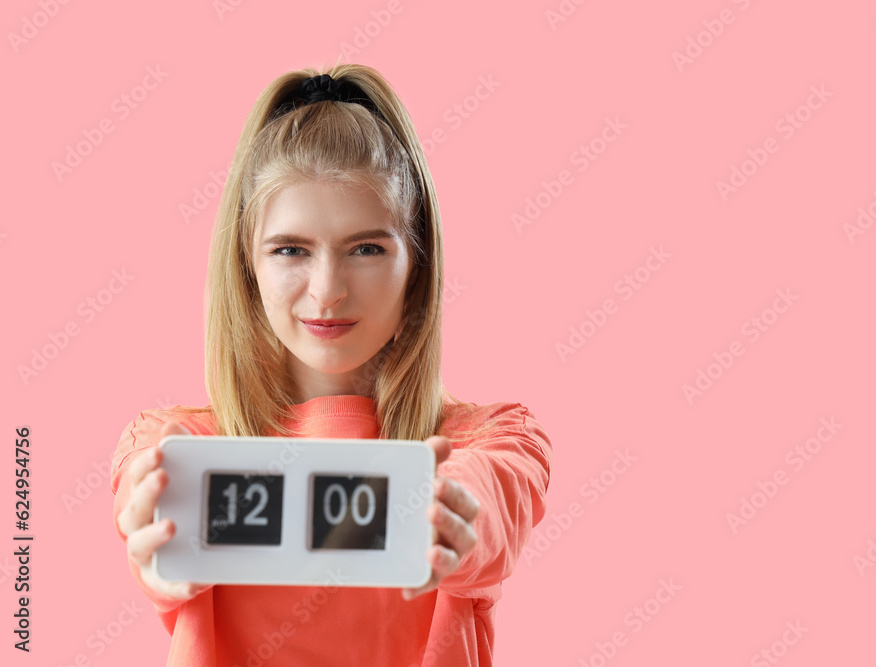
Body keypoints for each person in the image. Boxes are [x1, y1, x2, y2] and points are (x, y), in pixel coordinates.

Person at [110, 63, 553, 666]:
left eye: (366, 249)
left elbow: (489, 506)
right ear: (248, 264)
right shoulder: (171, 446)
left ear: (416, 264)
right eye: (290, 249)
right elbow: (155, 539)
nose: (328, 291)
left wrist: (446, 510)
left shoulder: (495, 441)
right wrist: (160, 555)